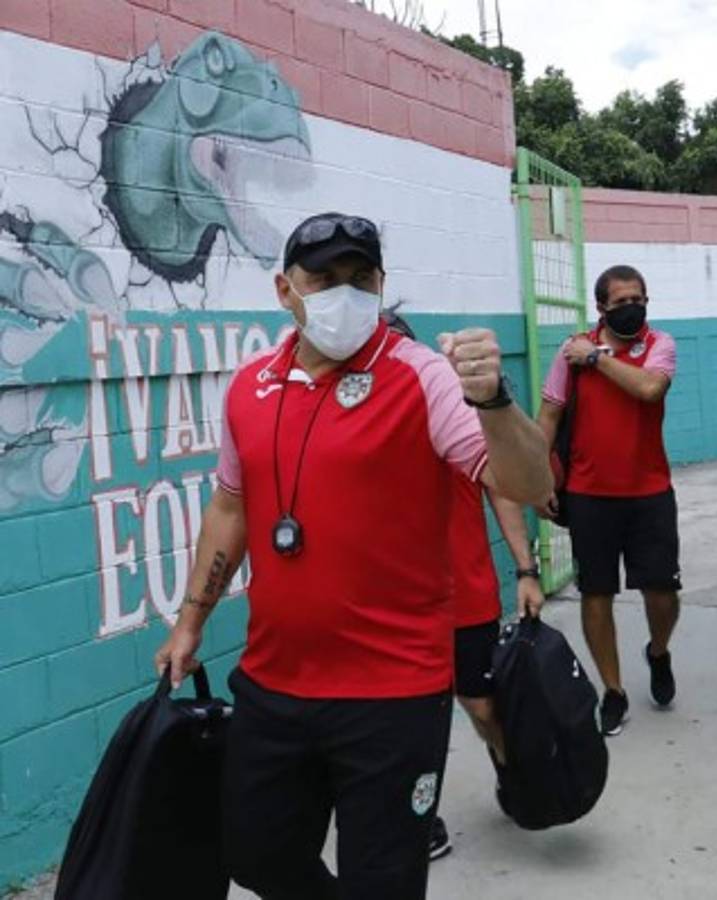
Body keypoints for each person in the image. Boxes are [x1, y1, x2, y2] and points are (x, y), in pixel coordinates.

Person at [154, 212, 553, 900]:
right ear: (285, 290)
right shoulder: (248, 387)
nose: (346, 293)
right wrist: (191, 619)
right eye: (324, 278)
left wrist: (492, 400)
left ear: (381, 283)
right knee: (255, 856)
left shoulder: (423, 377)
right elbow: (230, 508)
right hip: (275, 684)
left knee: (385, 881)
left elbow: (529, 484)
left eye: (360, 278)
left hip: (391, 696)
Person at [382, 307, 544, 861]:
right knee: (401, 723)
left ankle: (510, 771)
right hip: (389, 610)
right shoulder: (352, 429)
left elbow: (504, 491)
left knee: (480, 707)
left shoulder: (453, 416)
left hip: (464, 595)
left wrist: (526, 570)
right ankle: (418, 812)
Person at [537, 264, 681, 737]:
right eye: (619, 303)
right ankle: (613, 692)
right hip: (588, 496)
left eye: (637, 299)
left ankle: (658, 652)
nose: (630, 309)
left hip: (650, 493)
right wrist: (540, 479)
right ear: (601, 308)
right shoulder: (570, 353)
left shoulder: (659, 345)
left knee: (662, 592)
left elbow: (648, 388)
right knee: (596, 593)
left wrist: (596, 359)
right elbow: (550, 416)